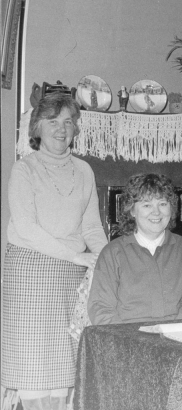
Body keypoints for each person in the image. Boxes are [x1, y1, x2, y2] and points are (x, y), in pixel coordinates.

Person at [1, 93, 108, 410]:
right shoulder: (24, 169)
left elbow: (91, 227)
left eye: (68, 122)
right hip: (30, 274)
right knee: (32, 366)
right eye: (52, 121)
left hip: (70, 278)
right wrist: (78, 257)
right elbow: (25, 227)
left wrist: (107, 259)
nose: (61, 129)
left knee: (66, 365)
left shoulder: (85, 170)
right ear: (37, 128)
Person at [88, 173, 182, 324]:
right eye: (147, 205)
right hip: (127, 339)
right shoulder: (112, 253)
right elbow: (101, 309)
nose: (156, 212)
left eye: (163, 204)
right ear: (132, 211)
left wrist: (169, 334)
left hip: (176, 338)